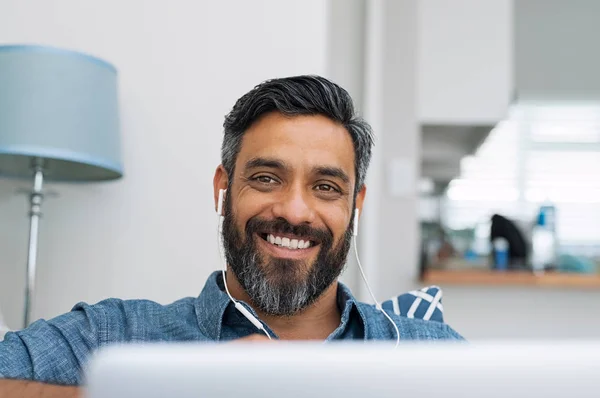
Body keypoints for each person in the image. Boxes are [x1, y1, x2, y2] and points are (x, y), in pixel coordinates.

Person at [0, 75, 463, 397]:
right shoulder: (112, 335)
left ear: (354, 205)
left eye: (325, 187)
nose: (294, 211)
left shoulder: (430, 352)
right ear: (223, 188)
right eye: (266, 178)